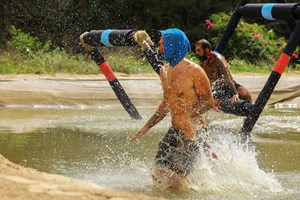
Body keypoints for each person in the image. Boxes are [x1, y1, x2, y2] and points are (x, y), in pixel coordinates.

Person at [129, 28, 214, 189]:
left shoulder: (194, 71)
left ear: (173, 45)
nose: (160, 48)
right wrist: (146, 127)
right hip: (174, 130)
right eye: (160, 44)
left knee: (177, 183)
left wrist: (188, 115)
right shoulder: (164, 71)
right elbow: (165, 104)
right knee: (157, 173)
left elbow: (209, 102)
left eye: (162, 44)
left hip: (192, 133)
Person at [195, 39, 253, 116]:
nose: (196, 53)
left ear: (207, 49)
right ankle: (198, 117)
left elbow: (227, 78)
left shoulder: (218, 59)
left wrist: (235, 93)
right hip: (217, 90)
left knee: (246, 95)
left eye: (199, 50)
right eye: (196, 51)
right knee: (209, 103)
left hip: (230, 85)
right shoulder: (202, 64)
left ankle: (251, 117)